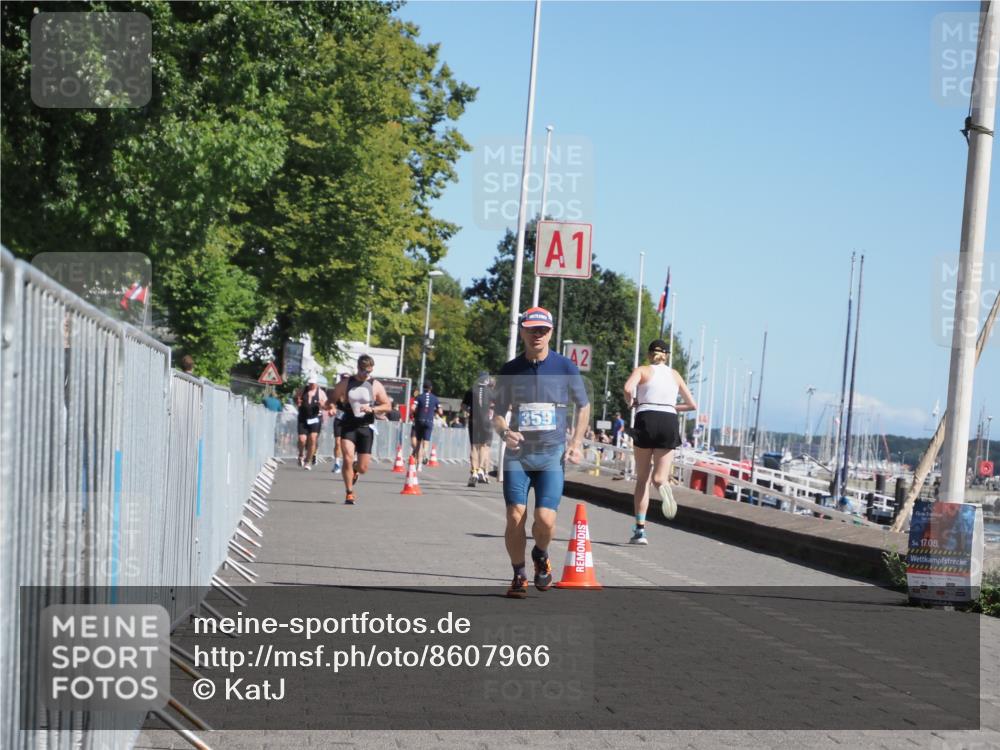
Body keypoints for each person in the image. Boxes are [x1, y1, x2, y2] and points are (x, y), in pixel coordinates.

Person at [492, 307, 590, 598]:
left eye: (543, 330)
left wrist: (576, 442)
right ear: (522, 331)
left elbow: (583, 405)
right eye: (532, 329)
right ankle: (519, 573)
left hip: (550, 455)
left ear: (551, 333)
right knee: (515, 517)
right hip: (518, 456)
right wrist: (504, 432)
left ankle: (541, 552)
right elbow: (497, 414)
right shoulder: (510, 370)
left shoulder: (565, 367)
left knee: (545, 520)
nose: (537, 335)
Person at [622, 339, 697, 544]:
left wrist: (633, 402)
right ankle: (663, 485)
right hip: (668, 419)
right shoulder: (675, 375)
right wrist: (672, 406)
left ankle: (640, 530)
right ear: (667, 356)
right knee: (659, 478)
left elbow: (628, 388)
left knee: (642, 479)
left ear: (649, 354)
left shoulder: (643, 370)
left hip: (646, 418)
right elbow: (692, 405)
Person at [328, 355, 391, 504]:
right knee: (348, 458)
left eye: (369, 371)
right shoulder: (345, 383)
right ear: (358, 368)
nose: (366, 374)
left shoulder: (375, 385)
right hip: (348, 426)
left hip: (365, 428)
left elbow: (387, 406)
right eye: (364, 371)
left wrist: (373, 409)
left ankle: (356, 470)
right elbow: (332, 399)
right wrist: (331, 407)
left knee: (363, 468)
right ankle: (349, 492)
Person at [462, 372, 495, 487]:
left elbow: (464, 406)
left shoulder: (471, 390)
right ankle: (481, 469)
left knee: (474, 447)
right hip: (486, 421)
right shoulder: (490, 391)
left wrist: (469, 410)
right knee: (484, 447)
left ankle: (474, 472)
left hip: (473, 421)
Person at [295, 374, 327, 470]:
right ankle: (301, 455)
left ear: (316, 383)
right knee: (302, 439)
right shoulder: (302, 390)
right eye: (310, 383)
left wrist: (322, 405)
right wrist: (298, 402)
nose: (311, 385)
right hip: (303, 418)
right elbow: (296, 399)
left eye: (313, 384)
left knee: (313, 439)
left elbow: (326, 406)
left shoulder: (320, 393)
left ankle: (307, 461)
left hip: (315, 418)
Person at [411, 380, 440, 467]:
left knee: (418, 442)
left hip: (419, 420)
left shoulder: (419, 397)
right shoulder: (435, 398)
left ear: (423, 388)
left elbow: (412, 408)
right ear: (431, 388)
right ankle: (425, 455)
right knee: (426, 442)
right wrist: (434, 411)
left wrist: (417, 412)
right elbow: (440, 411)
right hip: (429, 421)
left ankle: (417, 463)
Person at [328, 373, 350, 474]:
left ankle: (350, 462)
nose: (344, 381)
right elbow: (331, 402)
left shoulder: (353, 391)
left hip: (350, 420)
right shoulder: (336, 390)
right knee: (338, 442)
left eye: (346, 379)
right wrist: (332, 408)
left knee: (347, 444)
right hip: (339, 419)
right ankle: (337, 463)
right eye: (343, 379)